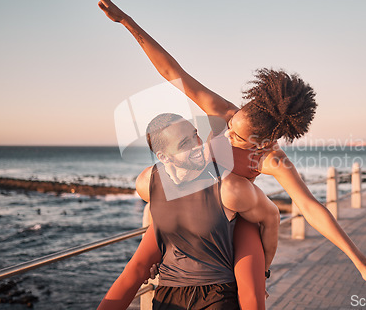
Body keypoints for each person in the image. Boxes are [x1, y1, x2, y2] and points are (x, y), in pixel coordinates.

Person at [93, 0, 366, 300]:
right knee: (135, 267)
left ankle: (261, 278)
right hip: (190, 205)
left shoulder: (272, 159)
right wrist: (126, 22)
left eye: (237, 136)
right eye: (231, 125)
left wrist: (361, 262)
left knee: (250, 282)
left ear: (262, 142)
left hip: (233, 215)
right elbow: (171, 71)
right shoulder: (225, 112)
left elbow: (311, 207)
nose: (226, 133)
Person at [97, 113, 279, 309]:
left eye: (196, 135)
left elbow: (272, 216)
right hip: (169, 290)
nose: (198, 145)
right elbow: (162, 214)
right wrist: (158, 250)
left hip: (217, 294)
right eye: (185, 144)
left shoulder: (229, 188)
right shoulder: (147, 183)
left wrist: (263, 273)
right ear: (163, 157)